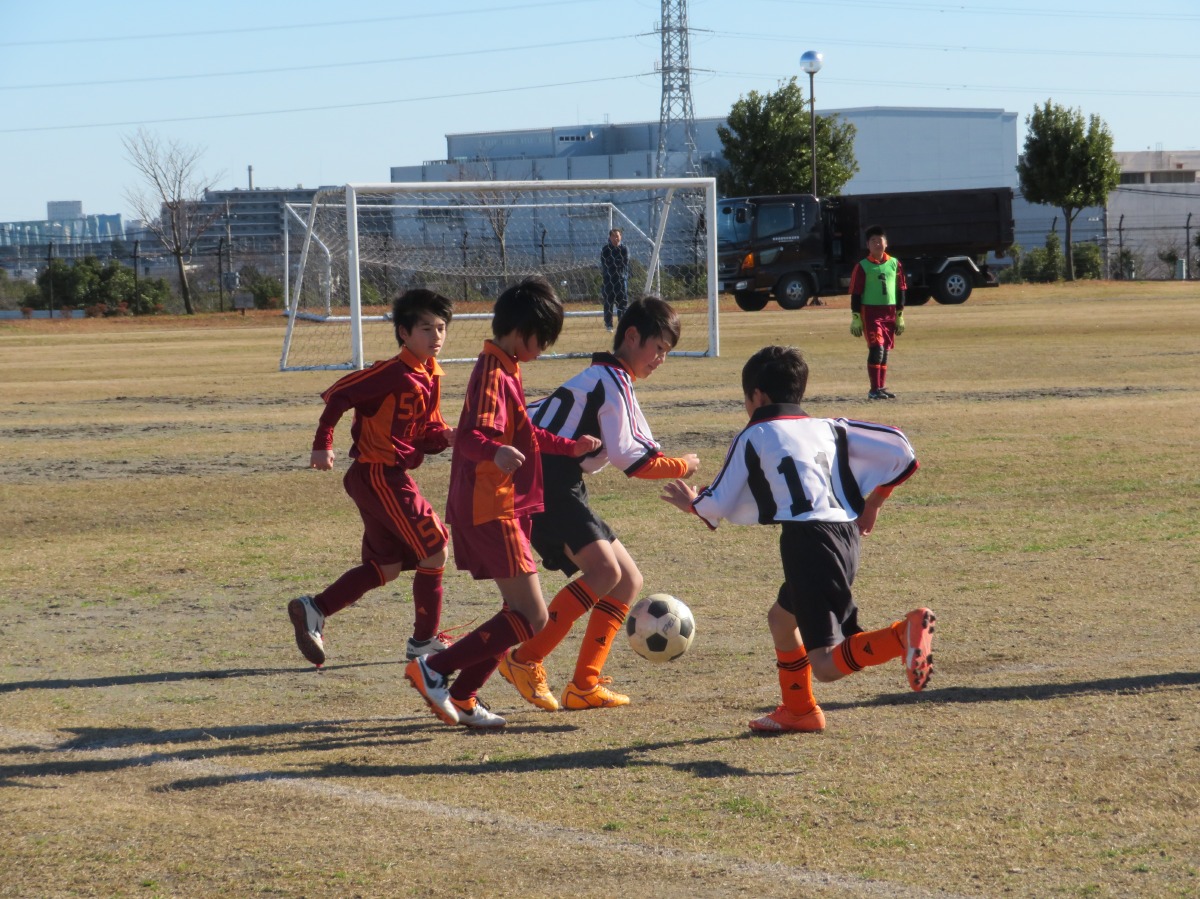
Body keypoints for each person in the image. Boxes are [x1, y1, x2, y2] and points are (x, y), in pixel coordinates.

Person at [660, 345, 935, 734]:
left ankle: (901, 635)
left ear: (757, 397)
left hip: (807, 541)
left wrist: (692, 503)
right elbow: (903, 451)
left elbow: (716, 503)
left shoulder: (754, 433)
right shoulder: (829, 427)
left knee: (824, 664)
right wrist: (873, 504)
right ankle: (799, 710)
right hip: (844, 534)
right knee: (781, 618)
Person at [404, 276, 602, 729]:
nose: (544, 349)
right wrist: (494, 452)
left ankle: (464, 695)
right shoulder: (494, 372)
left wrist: (568, 447)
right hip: (490, 506)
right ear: (521, 330)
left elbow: (525, 432)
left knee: (519, 613)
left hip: (500, 505)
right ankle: (434, 669)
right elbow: (472, 436)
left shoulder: (504, 366)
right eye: (543, 339)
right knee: (533, 616)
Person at [497, 296, 701, 712]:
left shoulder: (601, 377)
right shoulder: (611, 380)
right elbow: (633, 461)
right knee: (605, 572)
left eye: (667, 352)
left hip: (558, 481)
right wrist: (684, 466)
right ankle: (525, 658)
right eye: (658, 348)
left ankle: (584, 684)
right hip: (546, 483)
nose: (660, 359)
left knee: (627, 580)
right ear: (632, 336)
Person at [288, 289, 457, 668]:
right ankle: (424, 642)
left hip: (381, 477)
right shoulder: (392, 373)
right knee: (434, 548)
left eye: (441, 327)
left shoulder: (430, 375)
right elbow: (340, 393)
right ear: (404, 333)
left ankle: (315, 608)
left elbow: (424, 433)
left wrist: (446, 437)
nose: (436, 336)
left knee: (387, 566)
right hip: (379, 474)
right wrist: (322, 443)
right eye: (426, 328)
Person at [849, 224, 907, 400]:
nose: (877, 244)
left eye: (879, 240)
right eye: (873, 241)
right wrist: (856, 317)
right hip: (871, 313)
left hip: (889, 312)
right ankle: (873, 390)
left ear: (886, 243)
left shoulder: (895, 264)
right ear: (868, 245)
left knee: (885, 350)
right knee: (877, 349)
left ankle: (880, 387)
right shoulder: (863, 266)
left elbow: (901, 289)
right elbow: (856, 293)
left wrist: (900, 315)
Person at [599, 228, 630, 332]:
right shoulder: (605, 249)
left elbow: (624, 263)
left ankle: (622, 326)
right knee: (608, 303)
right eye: (613, 236)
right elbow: (605, 263)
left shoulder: (624, 249)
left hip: (621, 280)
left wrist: (613, 263)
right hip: (608, 280)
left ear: (621, 236)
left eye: (617, 236)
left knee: (622, 304)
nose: (615, 238)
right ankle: (609, 325)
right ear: (610, 237)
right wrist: (616, 263)